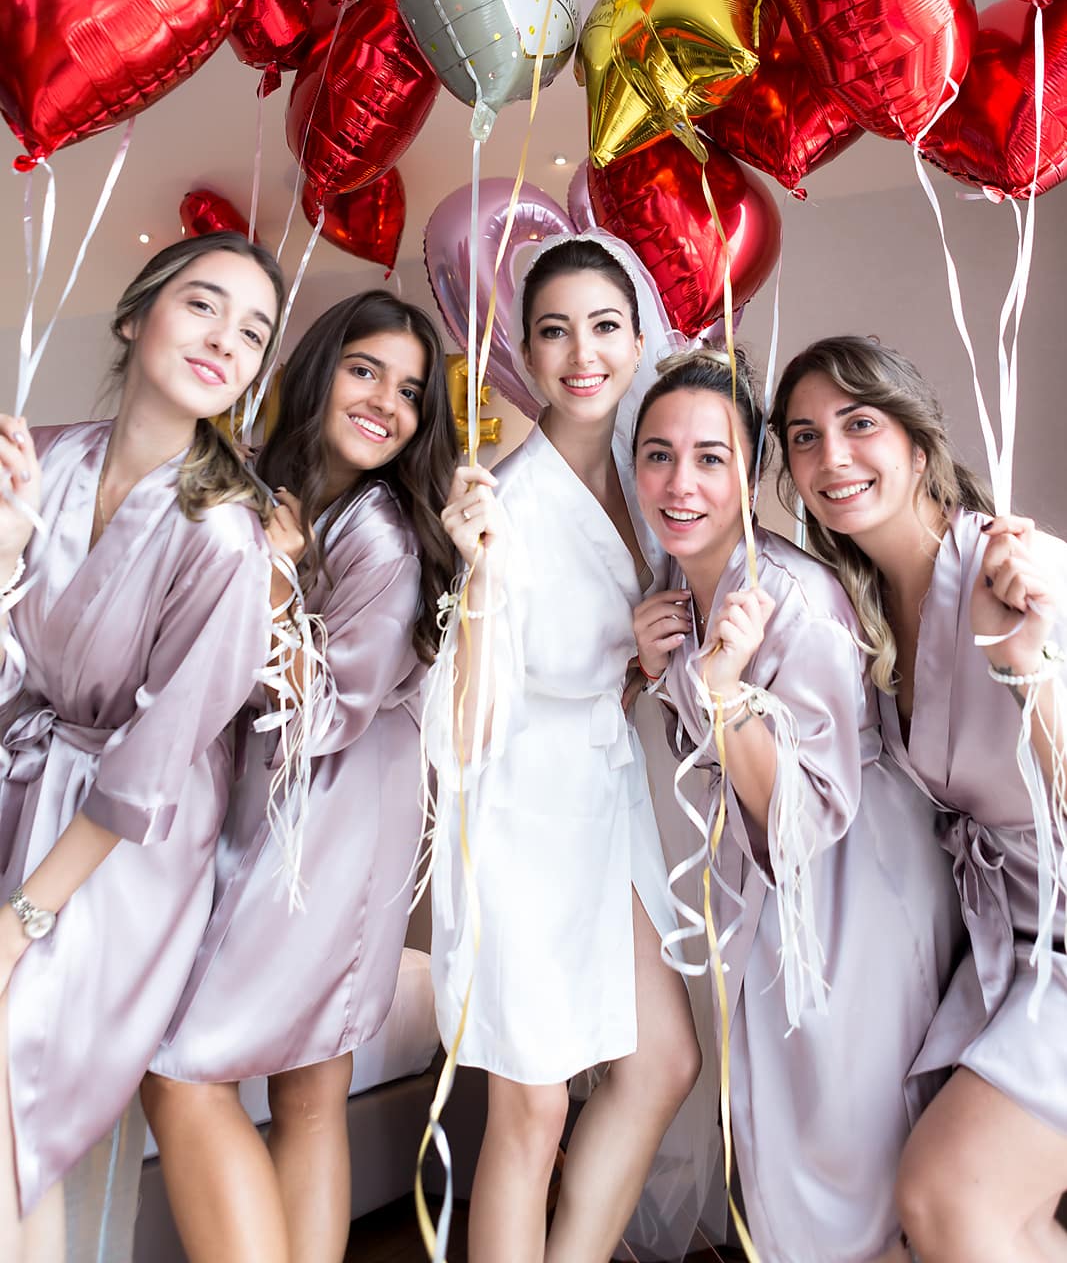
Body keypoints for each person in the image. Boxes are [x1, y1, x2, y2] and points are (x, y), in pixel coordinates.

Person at [143, 291, 456, 1263]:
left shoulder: (385, 539)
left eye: (409, 390)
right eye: (365, 370)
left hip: (324, 831)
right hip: (279, 815)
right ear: (319, 369)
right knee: (311, 1093)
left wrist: (278, 580)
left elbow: (321, 715)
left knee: (182, 1070)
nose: (385, 403)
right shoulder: (263, 487)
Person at [632, 347, 962, 1263]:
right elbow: (706, 762)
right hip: (778, 902)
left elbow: (804, 813)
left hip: (854, 888)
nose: (681, 483)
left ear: (751, 475)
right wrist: (662, 673)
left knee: (846, 1151)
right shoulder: (681, 593)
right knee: (782, 1143)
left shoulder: (793, 601)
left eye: (711, 458)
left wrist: (718, 694)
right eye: (658, 455)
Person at [0, 232, 284, 1260]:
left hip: (123, 853)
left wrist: (22, 920)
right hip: (19, 788)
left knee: (11, 1075)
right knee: (14, 1125)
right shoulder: (43, 461)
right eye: (203, 305)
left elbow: (150, 766)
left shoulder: (226, 536)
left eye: (251, 333)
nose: (224, 340)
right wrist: (3, 557)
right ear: (134, 316)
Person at [424, 235, 702, 1263]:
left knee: (662, 1059)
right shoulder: (504, 502)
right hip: (517, 813)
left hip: (601, 798)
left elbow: (624, 661)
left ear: (638, 337)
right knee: (531, 1107)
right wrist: (487, 578)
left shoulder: (646, 474)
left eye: (603, 326)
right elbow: (471, 713)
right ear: (524, 350)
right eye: (553, 331)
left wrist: (640, 664)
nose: (582, 354)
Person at [771, 334, 1067, 1263]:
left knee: (945, 1197)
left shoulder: (1016, 568)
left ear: (915, 438)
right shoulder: (856, 612)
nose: (832, 456)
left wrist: (1024, 669)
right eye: (804, 437)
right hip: (1003, 950)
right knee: (961, 1226)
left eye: (858, 424)